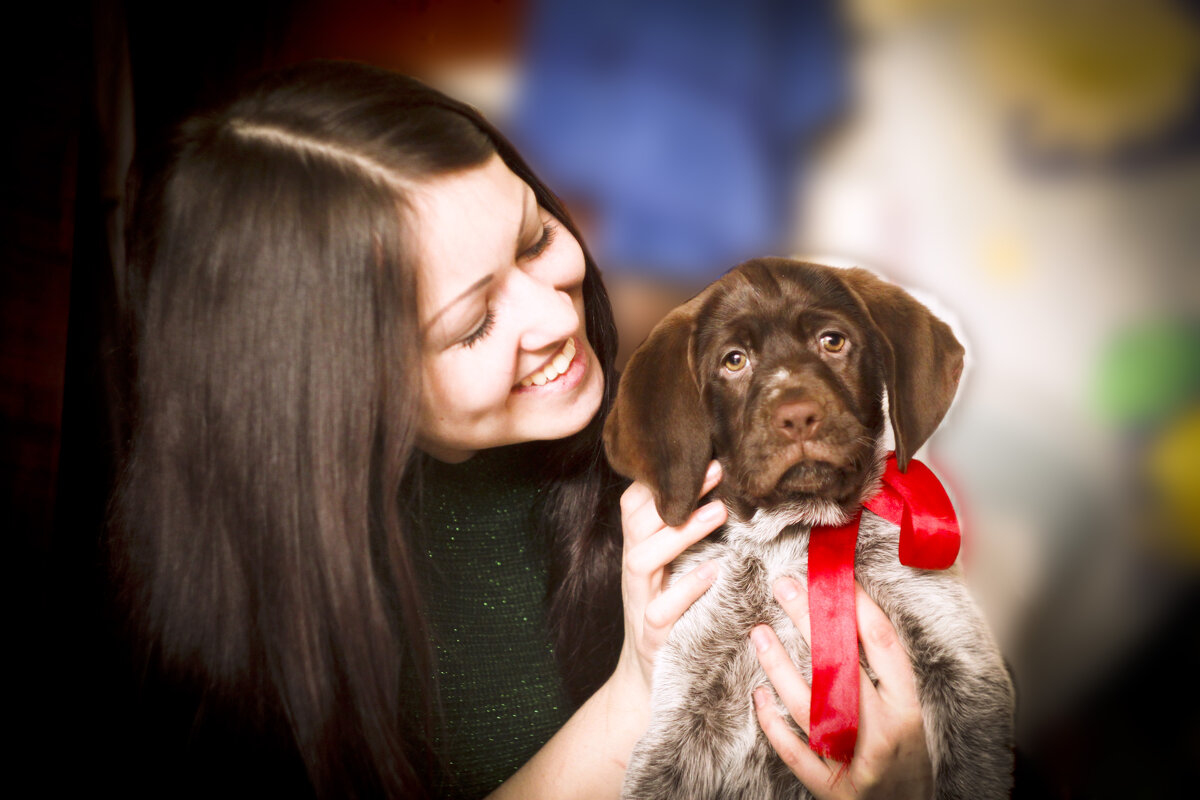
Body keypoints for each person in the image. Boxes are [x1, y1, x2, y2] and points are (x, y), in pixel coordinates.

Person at [112, 59, 931, 799]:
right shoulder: (236, 650)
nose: (555, 315)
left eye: (536, 237)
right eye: (472, 324)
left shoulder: (667, 416)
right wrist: (638, 694)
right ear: (338, 398)